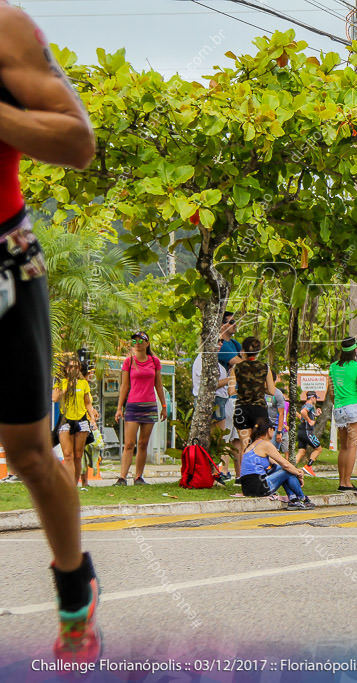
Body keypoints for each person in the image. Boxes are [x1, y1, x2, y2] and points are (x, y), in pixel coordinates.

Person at [0, 3, 99, 660]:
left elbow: (77, 141)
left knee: (31, 454)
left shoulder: (3, 27)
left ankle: (74, 587)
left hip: (4, 258)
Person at [114, 332, 167, 486]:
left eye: (141, 340)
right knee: (129, 443)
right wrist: (119, 408)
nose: (137, 342)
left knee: (143, 443)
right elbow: (124, 386)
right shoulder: (129, 362)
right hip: (132, 405)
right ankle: (122, 477)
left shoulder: (154, 361)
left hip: (149, 405)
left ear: (147, 343)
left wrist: (163, 406)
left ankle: (138, 477)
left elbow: (158, 385)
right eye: (135, 340)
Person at [238, 417, 314, 510]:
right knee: (287, 471)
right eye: (274, 429)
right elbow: (285, 464)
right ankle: (303, 499)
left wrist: (295, 471)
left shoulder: (253, 444)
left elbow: (277, 465)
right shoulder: (265, 444)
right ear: (269, 429)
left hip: (247, 489)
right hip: (258, 488)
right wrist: (299, 473)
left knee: (283, 470)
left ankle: (294, 500)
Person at [326, 337, 357, 492]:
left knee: (343, 447)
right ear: (355, 350)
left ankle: (342, 481)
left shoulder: (333, 367)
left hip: (339, 408)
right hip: (354, 408)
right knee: (352, 446)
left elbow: (330, 391)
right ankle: (347, 483)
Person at [229, 337, 274, 467]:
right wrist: (259, 389)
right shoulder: (265, 367)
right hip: (259, 410)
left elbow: (231, 391)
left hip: (241, 409)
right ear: (258, 351)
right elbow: (271, 391)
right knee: (260, 443)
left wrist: (243, 390)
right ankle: (260, 474)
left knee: (245, 444)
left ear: (243, 351)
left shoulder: (236, 367)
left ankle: (245, 477)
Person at [52, 357, 96, 490]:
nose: (73, 369)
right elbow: (55, 398)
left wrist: (92, 417)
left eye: (76, 367)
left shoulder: (83, 384)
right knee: (68, 455)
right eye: (70, 366)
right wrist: (68, 386)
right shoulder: (60, 382)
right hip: (65, 420)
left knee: (78, 455)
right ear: (66, 369)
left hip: (81, 420)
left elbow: (87, 402)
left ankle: (75, 484)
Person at [191, 350, 230, 435]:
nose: (220, 343)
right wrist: (231, 379)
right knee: (215, 436)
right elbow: (210, 384)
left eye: (222, 341)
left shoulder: (212, 359)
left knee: (219, 436)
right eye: (218, 341)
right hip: (213, 400)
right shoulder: (203, 360)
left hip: (220, 401)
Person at [295, 391, 323, 475]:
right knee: (318, 449)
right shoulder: (309, 405)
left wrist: (316, 415)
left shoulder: (306, 404)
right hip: (307, 432)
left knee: (301, 452)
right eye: (316, 398)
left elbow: (302, 416)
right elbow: (303, 412)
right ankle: (308, 467)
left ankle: (290, 467)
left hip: (301, 431)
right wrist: (309, 420)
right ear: (312, 398)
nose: (316, 401)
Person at [266, 371, 287, 452]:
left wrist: (279, 432)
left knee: (272, 453)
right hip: (264, 426)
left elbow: (281, 413)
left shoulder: (278, 394)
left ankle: (277, 465)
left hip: (274, 428)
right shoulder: (262, 392)